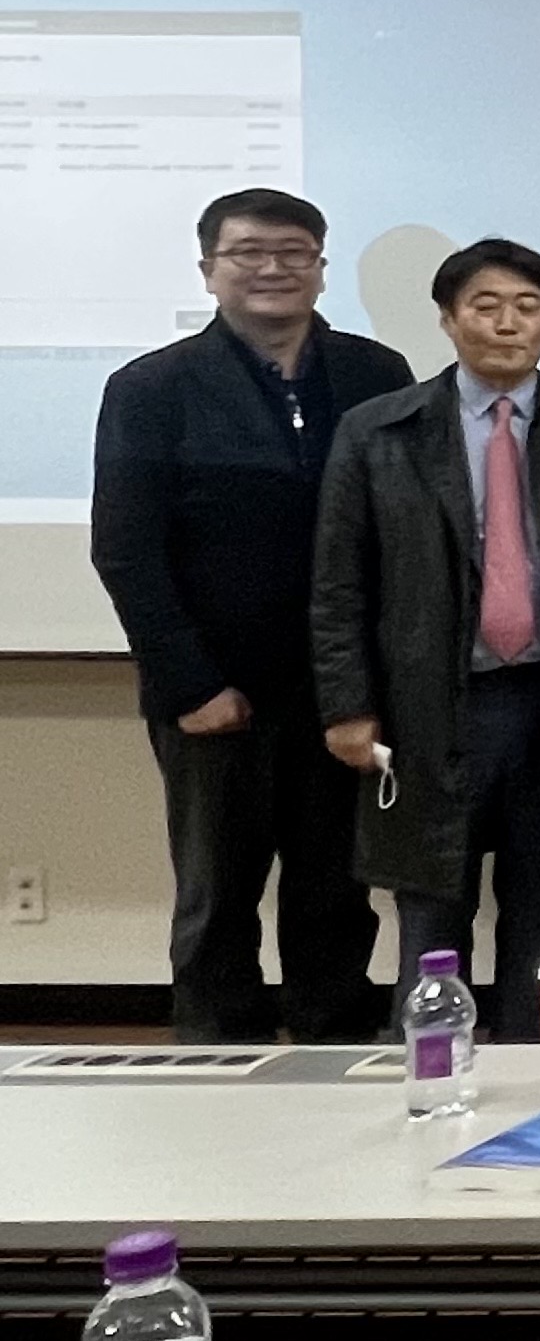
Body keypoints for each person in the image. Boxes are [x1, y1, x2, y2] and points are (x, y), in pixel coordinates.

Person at [307, 238, 540, 1038]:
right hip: (428, 706)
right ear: (447, 318)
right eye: (486, 306)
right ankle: (433, 1069)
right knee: (433, 911)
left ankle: (538, 1074)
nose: (507, 324)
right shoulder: (380, 431)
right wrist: (347, 705)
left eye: (527, 308)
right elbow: (338, 581)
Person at [90, 188, 409, 1044]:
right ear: (209, 270)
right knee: (217, 898)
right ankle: (215, 1065)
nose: (273, 268)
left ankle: (335, 1053)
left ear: (321, 268)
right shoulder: (152, 387)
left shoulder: (377, 375)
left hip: (341, 690)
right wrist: (191, 683)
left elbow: (402, 533)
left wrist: (373, 682)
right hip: (214, 694)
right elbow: (125, 550)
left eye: (294, 252)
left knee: (337, 893)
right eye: (249, 253)